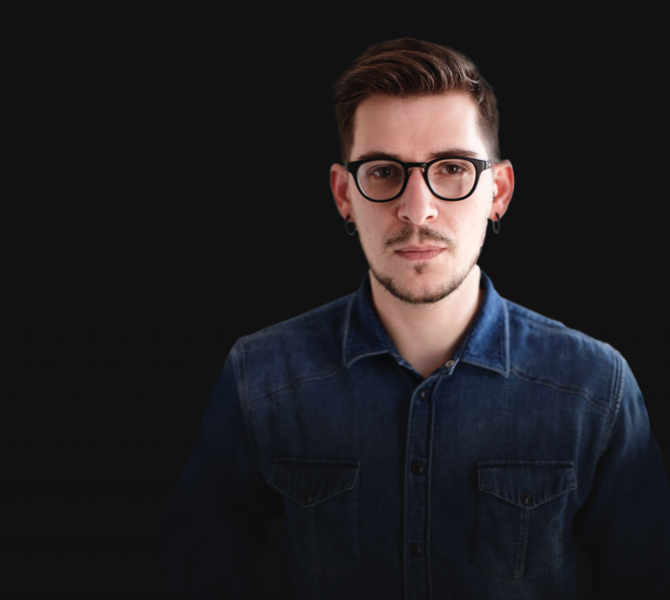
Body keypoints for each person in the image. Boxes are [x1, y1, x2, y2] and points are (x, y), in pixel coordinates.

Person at [154, 38, 669, 599]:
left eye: (452, 168)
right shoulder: (260, 375)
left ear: (498, 192)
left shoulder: (595, 385)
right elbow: (197, 573)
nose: (417, 209)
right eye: (382, 171)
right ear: (344, 195)